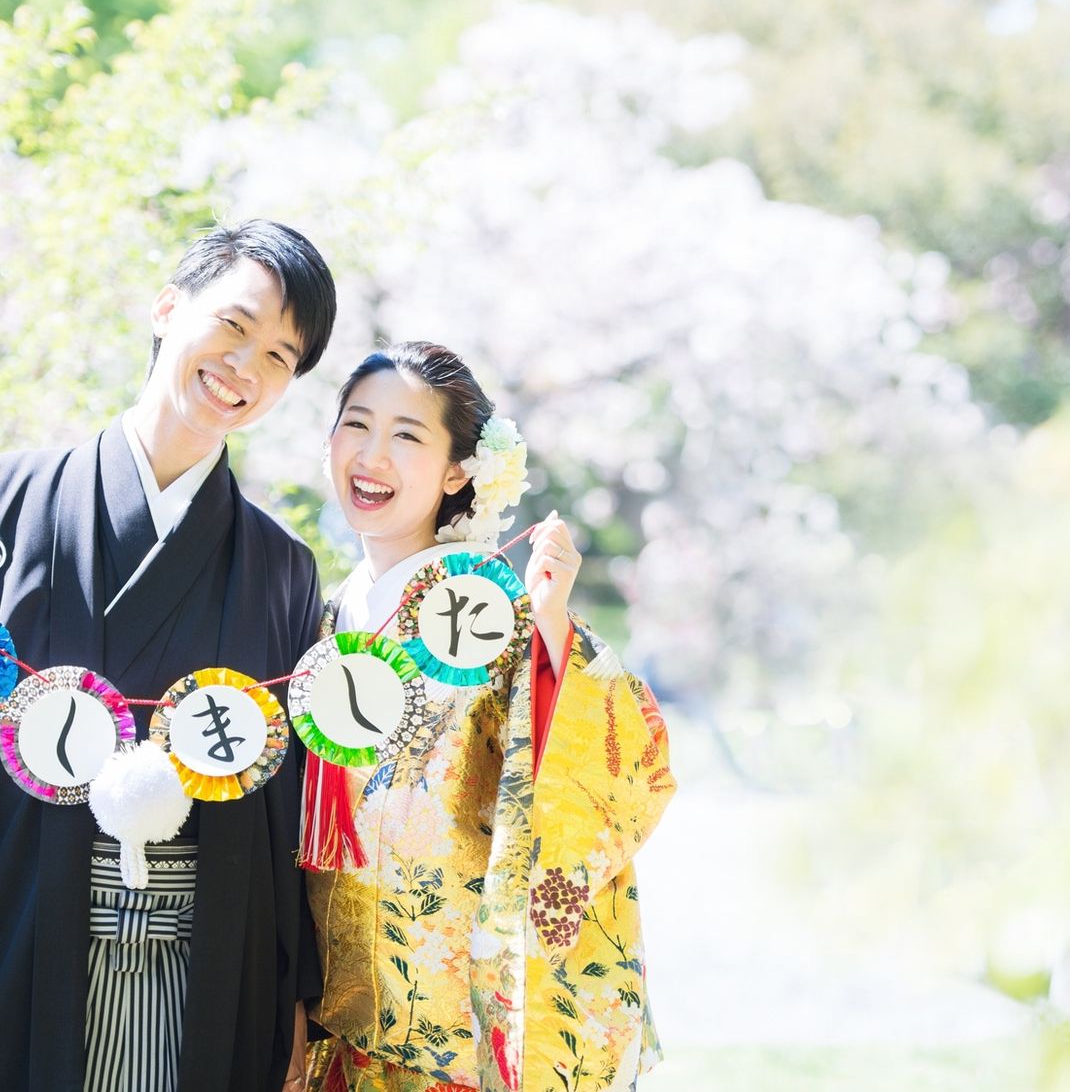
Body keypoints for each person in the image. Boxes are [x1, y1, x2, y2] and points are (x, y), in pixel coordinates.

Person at [0, 220, 338, 1092]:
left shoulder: (281, 569)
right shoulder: (14, 503)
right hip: (19, 930)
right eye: (234, 325)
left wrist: (293, 990)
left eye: (280, 357)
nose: (245, 368)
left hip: (202, 963)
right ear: (166, 308)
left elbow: (288, 803)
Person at [301, 342, 676, 1092]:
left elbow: (615, 765)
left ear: (457, 471)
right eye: (357, 425)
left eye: (407, 435)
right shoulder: (320, 613)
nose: (372, 456)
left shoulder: (489, 615)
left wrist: (551, 628)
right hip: (337, 1031)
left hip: (462, 1045)